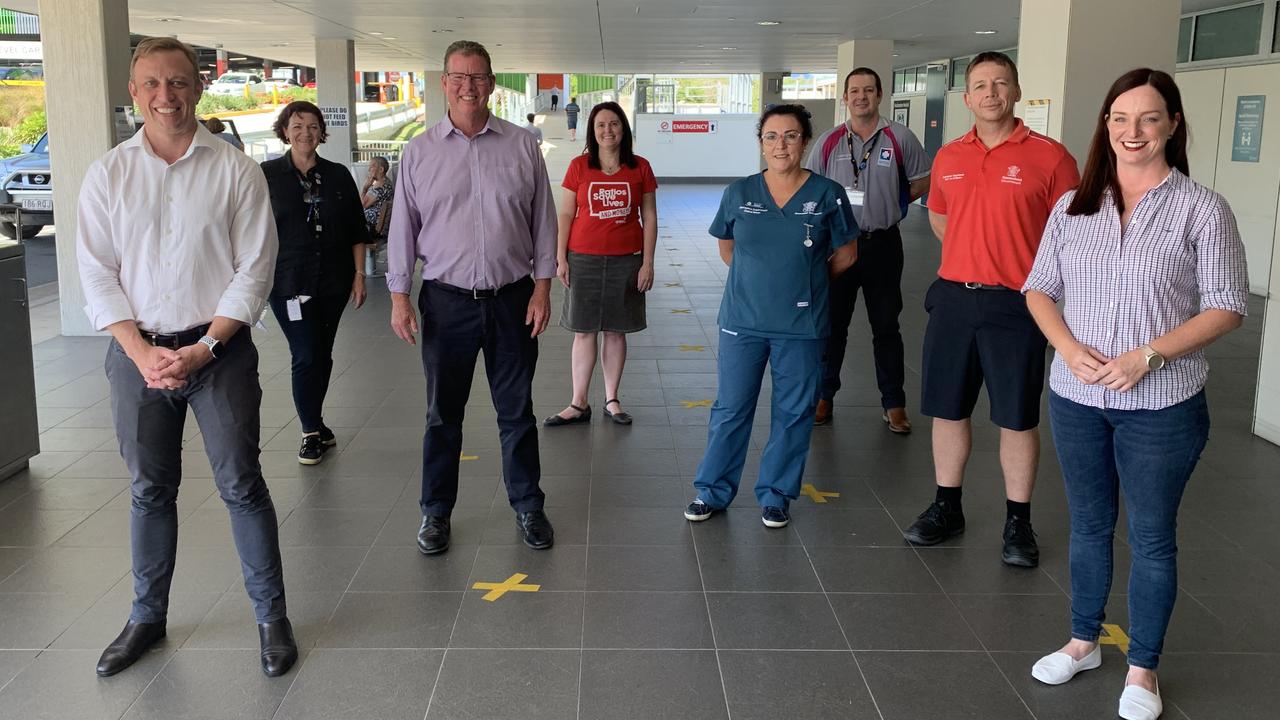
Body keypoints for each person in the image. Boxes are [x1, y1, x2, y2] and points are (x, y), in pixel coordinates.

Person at [1023, 69, 1248, 720]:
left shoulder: (1202, 208)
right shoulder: (1074, 205)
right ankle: (1083, 641)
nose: (1132, 132)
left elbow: (1228, 305)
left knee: (1151, 538)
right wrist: (1066, 347)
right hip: (1076, 395)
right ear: (1105, 126)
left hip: (1164, 405)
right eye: (1120, 118)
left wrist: (1148, 355)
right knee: (1089, 527)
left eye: (1148, 118)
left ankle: (1143, 668)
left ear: (1173, 125)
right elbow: (1039, 287)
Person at [76, 37, 296, 679]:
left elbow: (255, 270)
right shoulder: (109, 174)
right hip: (136, 354)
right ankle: (147, 617)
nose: (164, 96)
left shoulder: (234, 170)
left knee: (241, 486)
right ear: (133, 92)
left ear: (198, 88)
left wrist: (203, 349)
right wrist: (141, 351)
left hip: (218, 353)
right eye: (151, 84)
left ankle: (270, 617)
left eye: (176, 82)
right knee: (149, 490)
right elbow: (96, 273)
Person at [903, 51, 1079, 567]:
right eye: (980, 85)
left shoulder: (1051, 157)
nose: (991, 93)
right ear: (967, 97)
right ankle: (946, 507)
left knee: (1016, 417)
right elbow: (939, 217)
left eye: (1001, 83)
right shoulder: (951, 156)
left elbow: (1070, 233)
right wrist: (968, 253)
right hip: (955, 296)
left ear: (1017, 91)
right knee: (948, 409)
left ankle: (1018, 522)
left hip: (1019, 304)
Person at [387, 40, 557, 556]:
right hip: (446, 303)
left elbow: (544, 222)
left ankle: (528, 504)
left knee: (517, 412)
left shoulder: (523, 145)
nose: (469, 86)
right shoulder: (418, 151)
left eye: (479, 76)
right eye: (459, 76)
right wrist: (398, 295)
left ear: (492, 83)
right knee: (443, 416)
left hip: (512, 299)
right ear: (443, 82)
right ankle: (435, 514)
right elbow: (402, 229)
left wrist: (543, 288)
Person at [683, 104, 858, 529]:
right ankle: (712, 491)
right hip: (742, 322)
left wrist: (806, 281)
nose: (781, 145)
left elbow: (847, 253)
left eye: (791, 135)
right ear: (761, 143)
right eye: (772, 137)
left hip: (802, 326)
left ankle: (776, 494)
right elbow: (727, 246)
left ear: (806, 141)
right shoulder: (739, 193)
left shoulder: (828, 193)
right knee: (730, 408)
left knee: (793, 413)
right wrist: (757, 281)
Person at [806, 67, 931, 432]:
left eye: (868, 90)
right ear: (844, 97)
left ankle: (894, 403)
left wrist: (892, 202)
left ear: (880, 95)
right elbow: (812, 187)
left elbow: (922, 179)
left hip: (883, 244)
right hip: (838, 245)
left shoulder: (900, 137)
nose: (861, 97)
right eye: (854, 91)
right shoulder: (829, 142)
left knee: (886, 325)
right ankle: (824, 396)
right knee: (833, 326)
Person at [261, 101, 370, 465]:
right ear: (284, 130)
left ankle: (317, 422)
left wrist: (358, 276)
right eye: (297, 125)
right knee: (305, 353)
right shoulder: (266, 175)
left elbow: (357, 229)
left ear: (321, 132)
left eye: (312, 126)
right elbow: (249, 230)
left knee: (322, 353)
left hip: (334, 281)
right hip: (288, 282)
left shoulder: (338, 175)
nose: (305, 132)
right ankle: (310, 432)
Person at [544, 101, 657, 428]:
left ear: (624, 128)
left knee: (616, 332)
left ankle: (611, 399)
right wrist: (560, 255)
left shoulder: (640, 168)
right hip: (584, 259)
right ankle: (578, 403)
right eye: (601, 126)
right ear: (592, 132)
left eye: (614, 124)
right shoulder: (579, 167)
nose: (608, 131)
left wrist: (647, 262)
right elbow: (566, 213)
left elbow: (648, 217)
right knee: (583, 332)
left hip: (626, 261)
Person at [362, 155, 394, 232]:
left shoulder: (380, 186)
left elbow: (362, 205)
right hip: (373, 223)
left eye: (372, 166)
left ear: (381, 169)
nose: (369, 169)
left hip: (370, 226)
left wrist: (364, 188)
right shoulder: (387, 182)